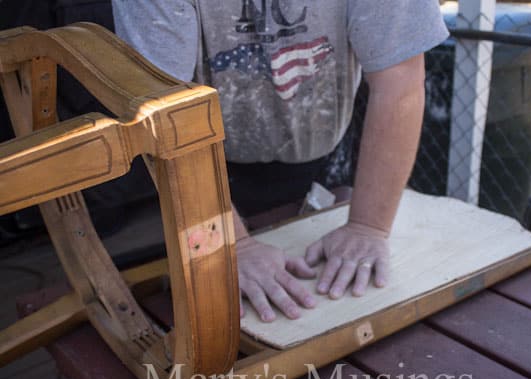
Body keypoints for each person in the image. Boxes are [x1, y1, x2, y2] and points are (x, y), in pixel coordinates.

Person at [111, 0, 449, 322]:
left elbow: (400, 82)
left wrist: (369, 226)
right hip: (199, 163)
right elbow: (161, 114)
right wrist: (232, 242)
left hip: (327, 147)